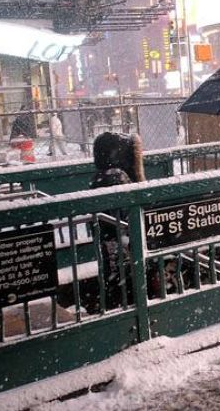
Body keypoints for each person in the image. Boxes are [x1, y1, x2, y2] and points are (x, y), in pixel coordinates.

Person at [89, 132, 145, 310]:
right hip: (119, 238)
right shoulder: (117, 176)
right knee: (123, 275)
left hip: (107, 236)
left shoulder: (100, 175)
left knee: (112, 275)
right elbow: (126, 211)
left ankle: (114, 305)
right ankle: (126, 307)